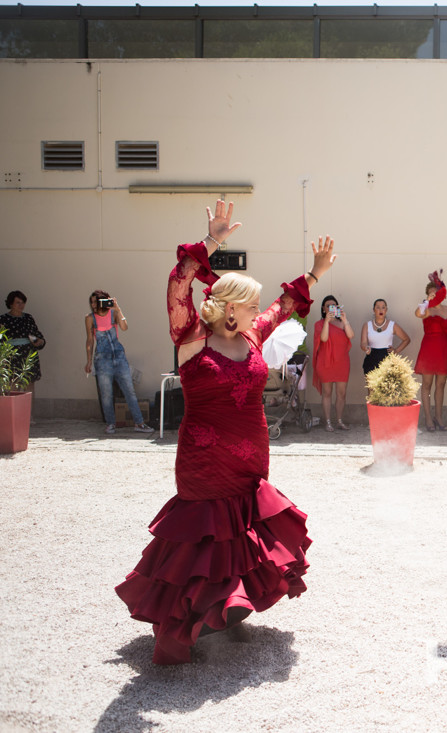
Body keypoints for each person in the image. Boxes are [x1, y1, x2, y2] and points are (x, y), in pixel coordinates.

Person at [116, 200, 333, 665]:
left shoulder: (252, 334)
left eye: (256, 306)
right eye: (250, 305)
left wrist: (314, 273)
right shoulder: (192, 336)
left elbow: (286, 304)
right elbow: (178, 284)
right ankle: (184, 619)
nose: (258, 312)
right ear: (230, 308)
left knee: (242, 530)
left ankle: (229, 605)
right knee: (203, 533)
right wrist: (211, 241)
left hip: (251, 453)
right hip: (204, 456)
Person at [83, 290, 154, 434]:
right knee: (106, 394)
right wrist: (89, 361)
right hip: (102, 360)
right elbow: (89, 340)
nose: (93, 305)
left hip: (119, 357)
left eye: (96, 301)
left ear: (104, 301)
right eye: (91, 302)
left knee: (129, 391)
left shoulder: (113, 314)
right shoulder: (90, 318)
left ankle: (139, 423)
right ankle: (110, 423)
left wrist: (118, 309)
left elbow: (124, 327)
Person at [414, 270, 447, 431]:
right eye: (431, 293)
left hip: (444, 348)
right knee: (427, 384)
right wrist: (426, 302)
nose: (434, 295)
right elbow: (417, 314)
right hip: (429, 348)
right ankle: (428, 419)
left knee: (441, 384)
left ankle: (439, 417)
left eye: (436, 292)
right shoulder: (426, 309)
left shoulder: (446, 310)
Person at [312, 295, 354, 431]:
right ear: (323, 309)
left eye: (334, 306)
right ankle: (328, 422)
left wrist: (345, 319)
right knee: (327, 392)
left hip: (341, 362)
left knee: (342, 393)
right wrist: (327, 322)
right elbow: (323, 338)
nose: (332, 308)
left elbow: (351, 335)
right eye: (329, 306)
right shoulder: (319, 324)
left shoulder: (342, 323)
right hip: (325, 363)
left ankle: (340, 421)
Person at [1, 290, 45, 408]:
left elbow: (37, 335)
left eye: (23, 303)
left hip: (28, 355)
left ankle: (28, 416)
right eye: (18, 303)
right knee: (12, 386)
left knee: (28, 387)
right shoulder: (4, 319)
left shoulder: (28, 318)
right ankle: (12, 415)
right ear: (10, 304)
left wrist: (39, 341)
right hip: (12, 357)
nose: (21, 306)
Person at [360, 298, 411, 380]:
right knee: (371, 389)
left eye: (383, 307)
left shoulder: (392, 325)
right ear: (373, 310)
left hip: (387, 358)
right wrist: (366, 348)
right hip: (371, 358)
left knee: (386, 389)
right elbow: (363, 343)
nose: (381, 310)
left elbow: (406, 339)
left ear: (386, 310)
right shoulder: (367, 325)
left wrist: (396, 350)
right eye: (378, 307)